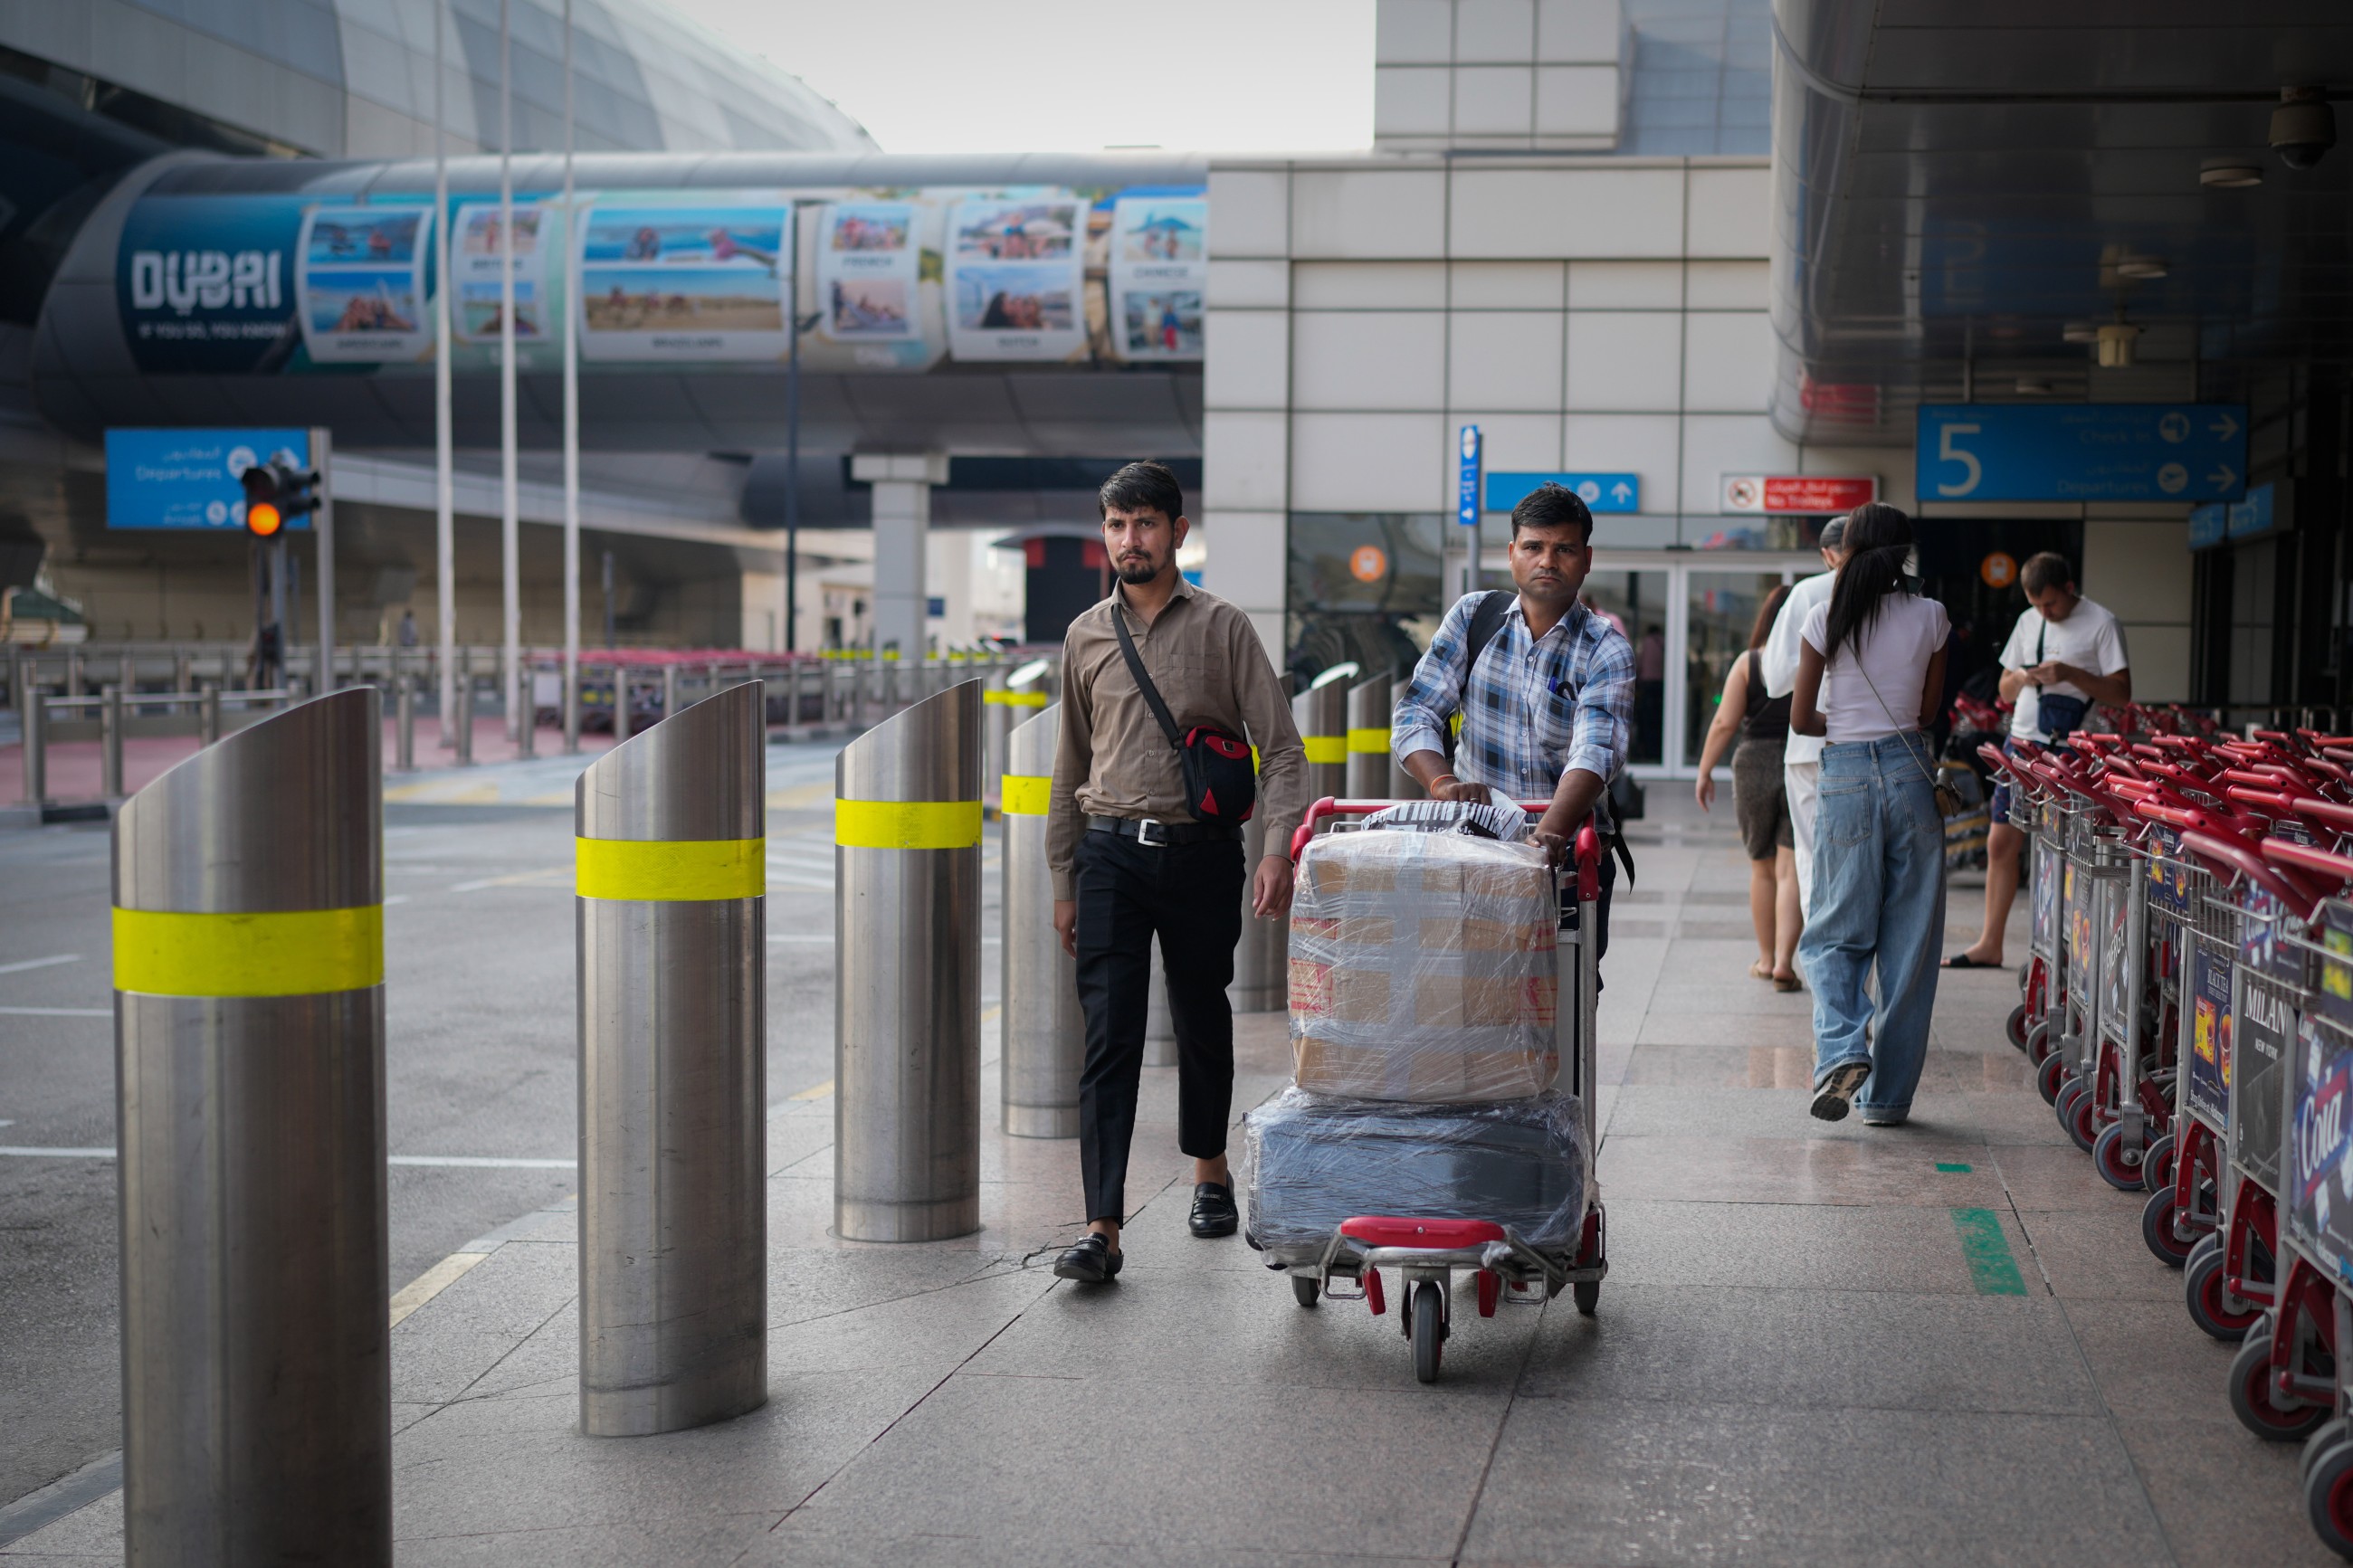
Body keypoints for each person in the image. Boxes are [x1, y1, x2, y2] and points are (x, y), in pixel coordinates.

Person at [1045, 461, 1309, 1284]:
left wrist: (1275, 848)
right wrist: (1063, 876)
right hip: (1110, 854)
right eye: (1118, 525)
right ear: (1105, 534)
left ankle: (1209, 1169)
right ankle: (1102, 1225)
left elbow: (1285, 750)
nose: (1131, 539)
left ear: (1177, 533)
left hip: (1201, 854)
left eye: (1146, 524)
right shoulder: (1086, 634)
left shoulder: (1224, 627)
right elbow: (1069, 762)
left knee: (1201, 1015)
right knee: (1109, 1037)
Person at [1392, 482, 1634, 964]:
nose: (1548, 560)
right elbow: (1416, 711)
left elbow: (1596, 751)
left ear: (1586, 559)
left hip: (1568, 858)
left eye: (1563, 549)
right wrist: (1441, 783)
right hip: (1472, 849)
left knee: (1564, 997)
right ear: (1512, 554)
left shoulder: (1606, 649)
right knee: (1470, 991)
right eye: (1534, 547)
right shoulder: (1472, 618)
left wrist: (1548, 837)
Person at [1789, 503, 1951, 1126]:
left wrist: (1851, 723)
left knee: (1834, 931)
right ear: (1905, 552)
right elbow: (1927, 711)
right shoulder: (1932, 616)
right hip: (1913, 776)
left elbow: (1803, 719)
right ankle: (1887, 1101)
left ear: (1849, 547)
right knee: (1910, 945)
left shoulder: (1822, 614)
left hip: (1847, 778)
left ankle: (1840, 1052)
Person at [1946, 552, 2130, 968]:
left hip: (2070, 746)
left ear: (2069, 589)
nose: (2044, 612)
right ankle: (1990, 941)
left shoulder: (2102, 622)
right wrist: (2025, 676)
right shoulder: (2029, 622)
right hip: (2022, 743)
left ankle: (2069, 946)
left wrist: (2070, 674)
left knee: (2067, 848)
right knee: (2000, 841)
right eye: (2036, 605)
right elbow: (2005, 689)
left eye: (2050, 604)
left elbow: (2121, 692)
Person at [1694, 584, 1801, 991]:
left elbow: (1724, 723)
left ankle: (1767, 958)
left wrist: (1704, 771)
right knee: (1790, 869)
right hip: (1802, 761)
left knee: (1762, 865)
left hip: (1753, 761)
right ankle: (1785, 964)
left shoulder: (1749, 663)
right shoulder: (1817, 661)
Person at [1758, 516, 1853, 924]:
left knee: (1815, 861)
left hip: (1812, 749)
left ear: (1827, 554)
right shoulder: (1903, 598)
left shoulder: (1810, 592)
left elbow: (1775, 680)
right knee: (1864, 866)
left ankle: (1826, 979)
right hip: (1878, 746)